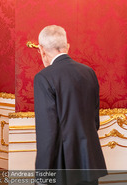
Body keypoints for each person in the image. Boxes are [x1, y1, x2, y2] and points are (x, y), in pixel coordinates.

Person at [33, 25, 107, 185]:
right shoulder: (89, 72)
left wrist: (42, 174)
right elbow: (95, 121)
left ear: (41, 50)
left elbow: (47, 131)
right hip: (88, 159)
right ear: (67, 46)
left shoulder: (43, 78)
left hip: (62, 165)